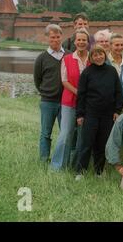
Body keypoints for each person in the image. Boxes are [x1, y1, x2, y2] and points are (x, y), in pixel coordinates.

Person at [75, 45, 123, 178]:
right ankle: (80, 171)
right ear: (91, 57)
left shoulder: (111, 71)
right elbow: (81, 95)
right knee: (87, 143)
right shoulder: (87, 72)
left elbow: (118, 92)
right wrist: (80, 114)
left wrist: (117, 110)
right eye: (95, 55)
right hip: (91, 114)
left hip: (108, 115)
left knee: (102, 144)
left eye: (100, 54)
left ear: (104, 55)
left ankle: (98, 171)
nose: (98, 57)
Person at [50, 28, 90, 170]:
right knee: (65, 134)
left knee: (82, 136)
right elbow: (64, 81)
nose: (81, 42)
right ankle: (57, 166)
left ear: (88, 42)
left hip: (87, 104)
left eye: (84, 40)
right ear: (74, 42)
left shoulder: (92, 59)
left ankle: (77, 166)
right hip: (69, 102)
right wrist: (79, 92)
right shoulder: (67, 59)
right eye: (78, 40)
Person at [33, 24, 65, 162]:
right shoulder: (41, 58)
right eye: (52, 37)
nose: (56, 40)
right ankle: (44, 158)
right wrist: (46, 92)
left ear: (61, 37)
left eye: (58, 37)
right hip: (48, 101)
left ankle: (63, 158)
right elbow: (37, 79)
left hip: (65, 101)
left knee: (66, 133)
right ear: (47, 38)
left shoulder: (68, 55)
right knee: (46, 133)